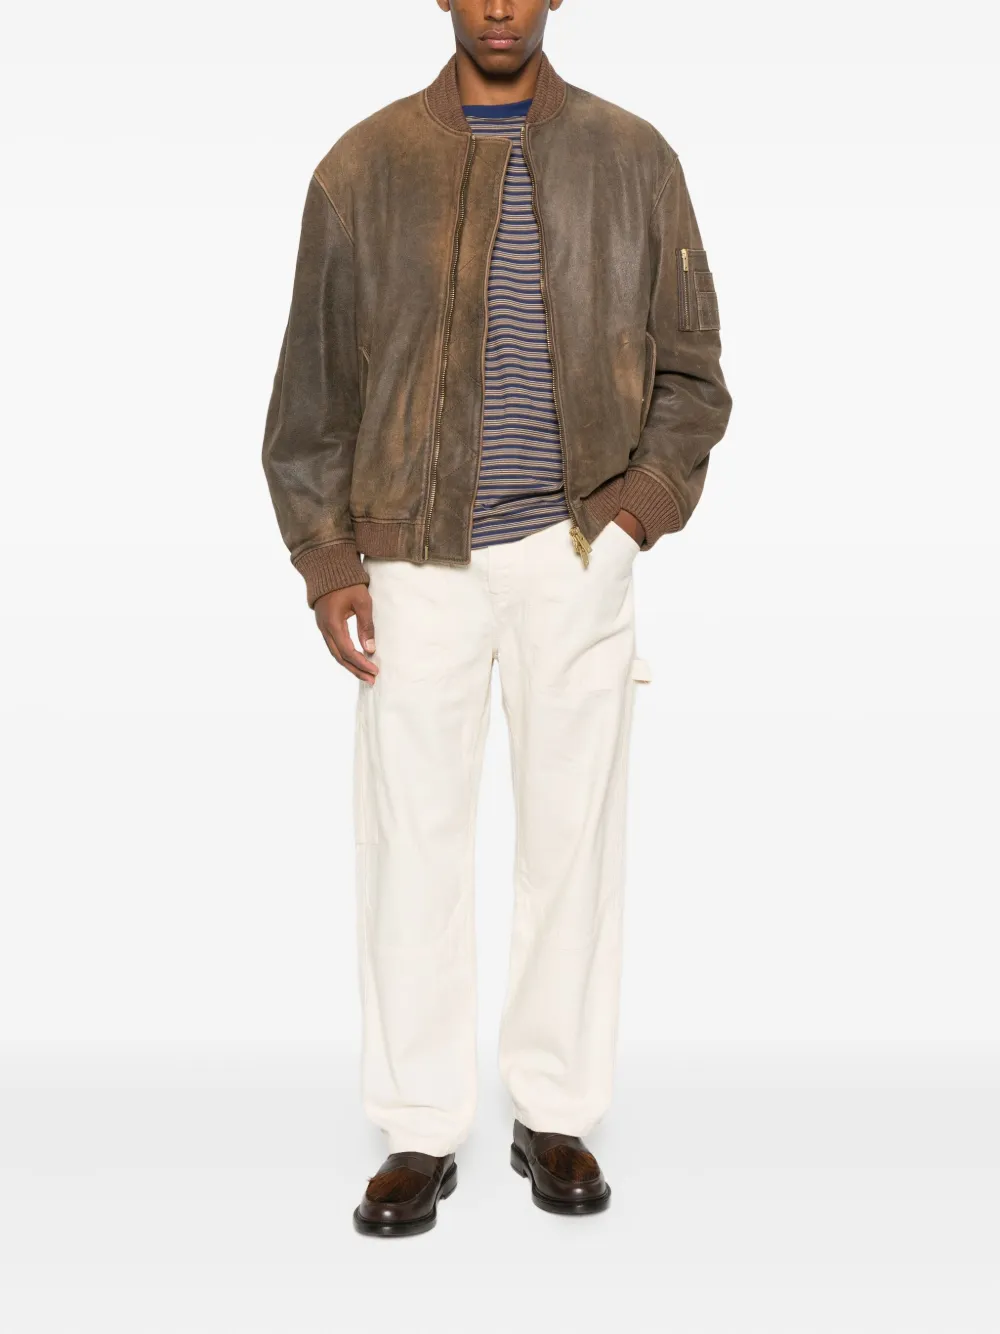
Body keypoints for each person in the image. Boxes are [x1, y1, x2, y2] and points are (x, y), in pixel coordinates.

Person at [262, 0, 732, 1237]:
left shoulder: (633, 159)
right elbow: (310, 388)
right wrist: (326, 557)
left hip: (574, 549)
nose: (500, 4)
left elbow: (693, 374)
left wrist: (632, 513)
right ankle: (418, 1125)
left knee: (573, 837)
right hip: (412, 558)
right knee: (410, 841)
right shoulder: (363, 167)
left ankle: (555, 1108)